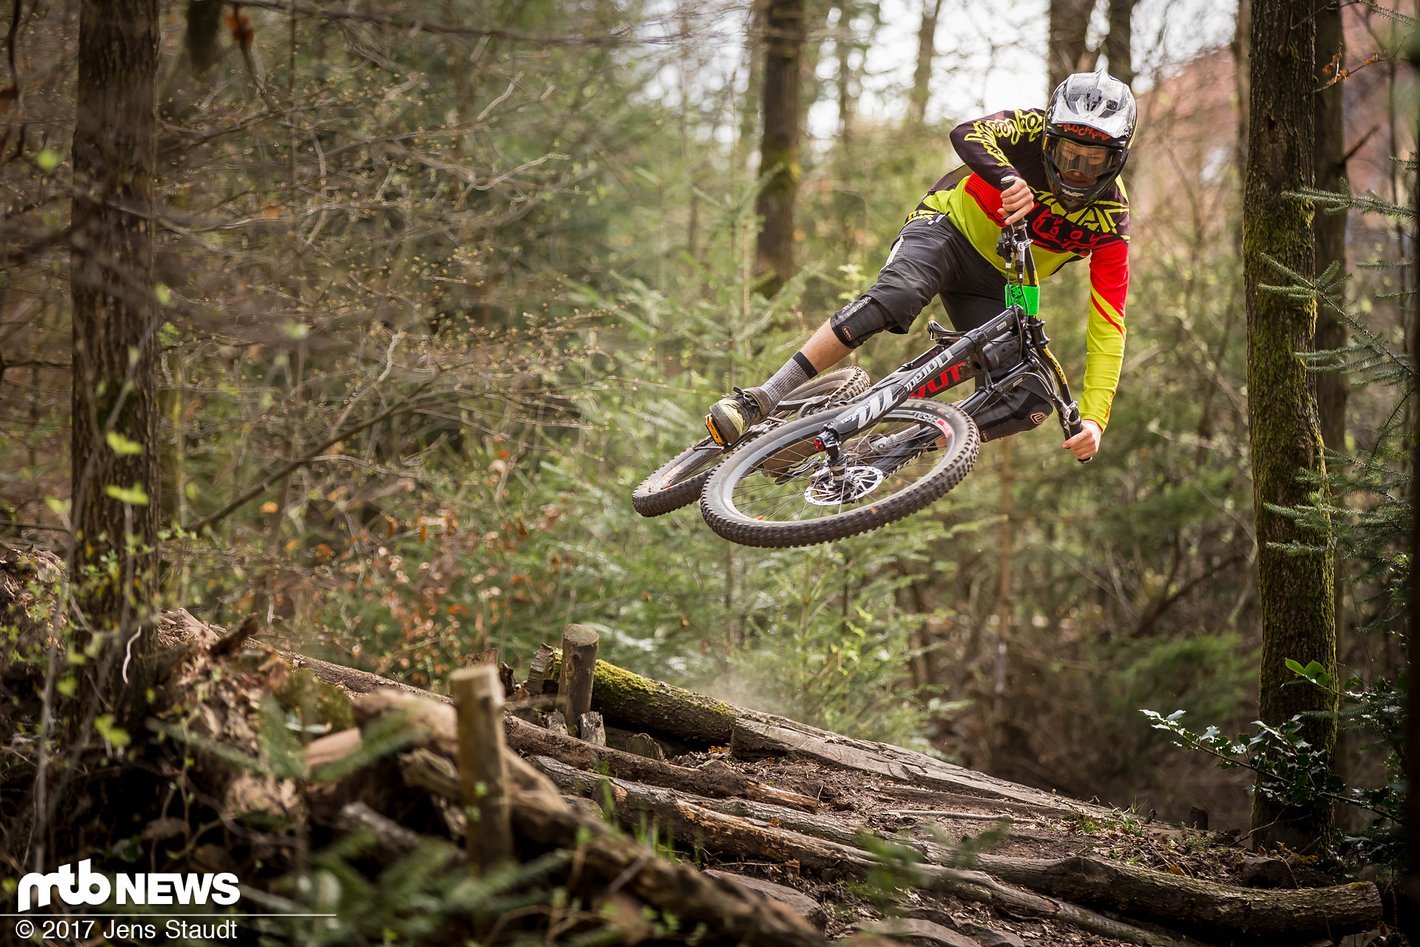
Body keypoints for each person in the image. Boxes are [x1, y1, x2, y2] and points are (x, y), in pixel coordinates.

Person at [705, 69, 1135, 463]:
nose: (1076, 170)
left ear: (1115, 159)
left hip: (1000, 282)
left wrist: (1096, 418)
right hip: (946, 230)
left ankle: (880, 452)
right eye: (1066, 153)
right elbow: (967, 132)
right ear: (1048, 138)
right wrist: (1007, 177)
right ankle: (761, 398)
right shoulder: (1030, 128)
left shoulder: (1112, 221)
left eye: (1092, 159)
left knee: (1030, 396)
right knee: (898, 297)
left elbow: (1108, 322)